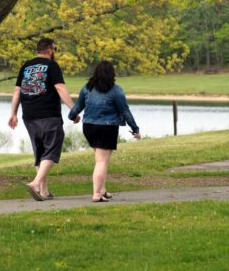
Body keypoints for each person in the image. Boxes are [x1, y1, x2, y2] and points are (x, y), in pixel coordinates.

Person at [8, 37, 79, 201]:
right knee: (52, 148)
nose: (55, 52)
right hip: (48, 114)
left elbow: (17, 91)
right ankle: (35, 183)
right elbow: (60, 88)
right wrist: (74, 110)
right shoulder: (52, 66)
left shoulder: (26, 66)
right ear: (49, 49)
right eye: (54, 49)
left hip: (29, 115)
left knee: (40, 151)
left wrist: (13, 113)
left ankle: (44, 191)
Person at [68, 61, 141, 202]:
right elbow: (125, 111)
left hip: (89, 127)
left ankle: (102, 190)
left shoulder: (87, 88)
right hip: (107, 128)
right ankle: (96, 194)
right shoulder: (116, 90)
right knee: (102, 161)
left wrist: (72, 116)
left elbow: (77, 106)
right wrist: (135, 129)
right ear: (112, 74)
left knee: (101, 159)